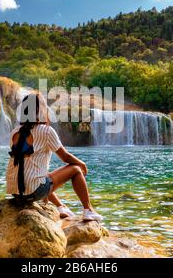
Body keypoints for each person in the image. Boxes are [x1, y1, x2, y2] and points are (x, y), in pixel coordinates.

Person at [6, 92, 103, 221]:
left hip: (15, 192)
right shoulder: (46, 131)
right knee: (76, 169)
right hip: (33, 192)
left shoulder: (15, 132)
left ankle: (60, 207)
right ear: (41, 110)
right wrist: (82, 164)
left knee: (42, 177)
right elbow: (65, 157)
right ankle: (88, 210)